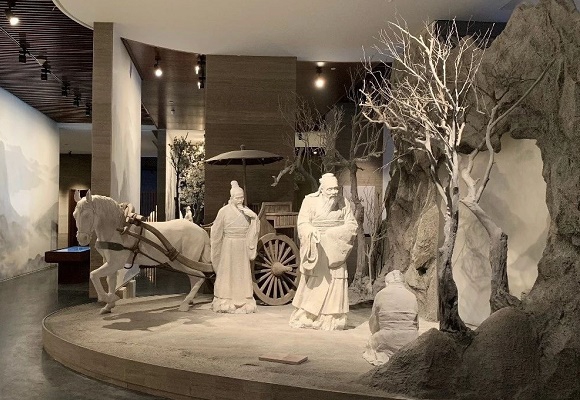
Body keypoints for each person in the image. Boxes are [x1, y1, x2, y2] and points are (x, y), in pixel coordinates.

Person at [289, 173, 357, 330]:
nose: (334, 192)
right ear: (322, 189)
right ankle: (309, 314)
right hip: (317, 247)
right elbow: (302, 223)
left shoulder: (344, 202)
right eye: (330, 189)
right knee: (315, 281)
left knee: (336, 280)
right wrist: (311, 231)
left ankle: (332, 317)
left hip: (336, 249)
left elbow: (352, 224)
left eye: (336, 189)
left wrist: (335, 234)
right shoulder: (310, 201)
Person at [210, 181, 259, 313]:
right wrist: (216, 245)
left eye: (242, 198)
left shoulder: (247, 212)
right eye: (237, 198)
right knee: (228, 271)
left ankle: (245, 299)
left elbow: (253, 229)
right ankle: (225, 298)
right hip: (229, 245)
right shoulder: (224, 211)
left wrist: (254, 218)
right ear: (231, 198)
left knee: (241, 271)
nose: (240, 200)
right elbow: (216, 230)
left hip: (242, 245)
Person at [362, 270, 419, 366]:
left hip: (386, 338)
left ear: (387, 283)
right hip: (411, 340)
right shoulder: (412, 296)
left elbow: (373, 323)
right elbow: (416, 325)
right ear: (403, 282)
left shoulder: (380, 294)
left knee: (372, 343)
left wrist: (376, 333)